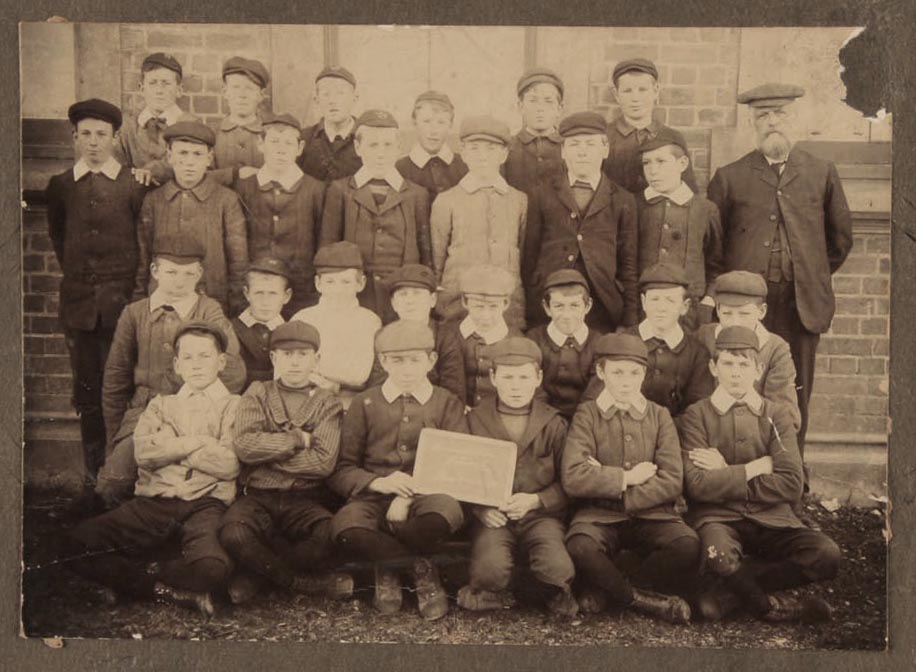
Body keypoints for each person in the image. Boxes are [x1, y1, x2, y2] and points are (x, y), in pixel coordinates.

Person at [707, 83, 853, 457]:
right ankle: (745, 473)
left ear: (796, 118)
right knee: (740, 384)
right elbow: (713, 249)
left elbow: (839, 243)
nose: (772, 123)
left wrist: (806, 275)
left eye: (780, 114)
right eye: (763, 117)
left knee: (795, 392)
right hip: (748, 310)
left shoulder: (821, 172)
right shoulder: (730, 177)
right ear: (753, 124)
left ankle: (790, 473)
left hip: (801, 305)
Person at [65, 322, 241, 617]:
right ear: (177, 365)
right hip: (154, 501)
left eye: (205, 356)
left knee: (213, 567)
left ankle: (132, 578)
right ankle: (165, 590)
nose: (196, 365)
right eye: (188, 358)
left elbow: (228, 463)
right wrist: (200, 443)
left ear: (221, 362)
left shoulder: (234, 405)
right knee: (75, 541)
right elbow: (145, 453)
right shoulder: (160, 405)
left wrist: (171, 446)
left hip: (205, 503)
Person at [679, 326, 840, 623]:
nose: (735, 373)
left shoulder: (775, 415)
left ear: (758, 369)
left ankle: (729, 591)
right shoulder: (696, 415)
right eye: (727, 363)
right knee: (718, 553)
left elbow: (792, 483)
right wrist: (752, 469)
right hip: (718, 517)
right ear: (714, 367)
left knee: (825, 554)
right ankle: (771, 608)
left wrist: (725, 474)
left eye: (744, 365)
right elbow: (698, 486)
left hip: (772, 517)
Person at [329, 321, 468, 620]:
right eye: (397, 360)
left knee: (441, 516)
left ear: (431, 361)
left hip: (429, 493)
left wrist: (407, 497)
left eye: (415, 360)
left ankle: (388, 563)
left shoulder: (447, 403)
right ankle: (414, 568)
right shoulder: (364, 403)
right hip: (373, 495)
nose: (407, 369)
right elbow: (343, 469)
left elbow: (456, 463)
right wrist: (379, 484)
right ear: (382, 361)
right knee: (348, 529)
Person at [96, 235, 246, 506]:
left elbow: (233, 370)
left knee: (195, 485)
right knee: (114, 484)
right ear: (155, 271)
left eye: (189, 274)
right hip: (144, 414)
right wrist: (114, 439)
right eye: (171, 272)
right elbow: (115, 379)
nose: (180, 281)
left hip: (198, 415)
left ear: (199, 273)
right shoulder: (134, 314)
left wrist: (191, 403)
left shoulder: (209, 310)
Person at [45, 98, 147, 494]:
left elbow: (140, 242)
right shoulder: (61, 186)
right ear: (74, 137)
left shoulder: (131, 185)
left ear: (115, 138)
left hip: (119, 306)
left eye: (101, 134)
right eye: (85, 134)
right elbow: (59, 238)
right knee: (86, 390)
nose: (93, 142)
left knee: (117, 387)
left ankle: (118, 475)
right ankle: (92, 477)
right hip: (79, 309)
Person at [562, 333, 699, 624]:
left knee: (686, 543)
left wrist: (609, 484)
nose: (626, 381)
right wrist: (628, 477)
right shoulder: (587, 414)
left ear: (645, 374)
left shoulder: (659, 416)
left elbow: (672, 478)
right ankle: (641, 600)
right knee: (580, 545)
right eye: (617, 372)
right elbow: (574, 476)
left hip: (653, 514)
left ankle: (610, 588)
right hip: (597, 515)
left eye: (635, 373)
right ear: (601, 372)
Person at [219, 320, 352, 604]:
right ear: (273, 358)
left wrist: (265, 458)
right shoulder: (258, 392)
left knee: (330, 533)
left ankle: (258, 575)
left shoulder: (328, 402)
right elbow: (244, 445)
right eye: (286, 354)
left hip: (304, 498)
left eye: (303, 354)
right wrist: (296, 440)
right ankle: (296, 582)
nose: (294, 362)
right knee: (234, 533)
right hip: (258, 496)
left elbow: (322, 463)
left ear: (316, 359)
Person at [458, 337, 579, 618]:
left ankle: (540, 590)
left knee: (559, 571)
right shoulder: (473, 420)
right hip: (494, 518)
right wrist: (480, 509)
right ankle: (497, 590)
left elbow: (569, 482)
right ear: (493, 377)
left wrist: (537, 500)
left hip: (540, 517)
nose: (515, 385)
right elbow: (460, 475)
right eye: (507, 376)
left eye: (524, 377)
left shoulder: (555, 423)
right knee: (490, 572)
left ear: (538, 378)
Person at [523, 111, 638, 333]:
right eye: (574, 145)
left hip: (602, 303)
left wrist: (629, 320)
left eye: (591, 144)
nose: (582, 152)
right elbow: (529, 256)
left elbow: (628, 264)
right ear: (563, 152)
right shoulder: (541, 194)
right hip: (550, 302)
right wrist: (532, 304)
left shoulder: (623, 199)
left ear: (605, 149)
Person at [319, 109, 431, 321]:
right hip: (354, 299)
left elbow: (425, 258)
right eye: (372, 145)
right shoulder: (340, 191)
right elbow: (328, 251)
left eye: (388, 145)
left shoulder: (417, 194)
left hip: (400, 301)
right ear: (358, 147)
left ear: (399, 148)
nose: (381, 153)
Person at [134, 121, 248, 316]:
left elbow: (238, 261)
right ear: (169, 156)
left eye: (197, 154)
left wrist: (236, 307)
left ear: (209, 158)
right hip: (163, 304)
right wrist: (140, 301)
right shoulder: (154, 200)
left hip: (210, 302)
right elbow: (144, 257)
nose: (189, 161)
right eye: (182, 153)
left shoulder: (226, 200)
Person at [430, 115, 527, 329]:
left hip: (506, 307)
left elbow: (524, 252)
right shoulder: (446, 201)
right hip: (458, 306)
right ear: (463, 152)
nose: (482, 156)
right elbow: (436, 260)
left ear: (503, 155)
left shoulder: (519, 200)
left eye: (491, 149)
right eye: (474, 148)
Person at [234, 112, 326, 316]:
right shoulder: (244, 188)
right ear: (260, 143)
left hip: (301, 293)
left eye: (288, 143)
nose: (281, 150)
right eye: (274, 141)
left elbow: (322, 241)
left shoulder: (316, 190)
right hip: (255, 294)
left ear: (300, 148)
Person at [636, 127, 722, 329]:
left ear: (682, 163)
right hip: (644, 311)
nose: (653, 170)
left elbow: (716, 264)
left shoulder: (705, 210)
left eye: (661, 161)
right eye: (646, 163)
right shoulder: (634, 206)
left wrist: (708, 301)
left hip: (690, 312)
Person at [696, 270, 801, 432]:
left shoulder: (776, 348)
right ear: (717, 310)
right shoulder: (703, 338)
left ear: (762, 311)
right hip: (707, 436)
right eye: (727, 313)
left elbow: (787, 419)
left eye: (744, 314)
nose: (735, 322)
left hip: (755, 438)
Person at [290, 242, 381, 408]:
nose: (337, 290)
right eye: (330, 282)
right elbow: (286, 370)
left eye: (346, 282)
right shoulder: (303, 318)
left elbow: (359, 374)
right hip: (303, 401)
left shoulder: (369, 320)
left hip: (349, 404)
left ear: (360, 283)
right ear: (318, 283)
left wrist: (316, 371)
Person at [620, 263, 714, 419]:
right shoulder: (623, 343)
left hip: (676, 436)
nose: (661, 308)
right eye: (655, 299)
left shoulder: (697, 354)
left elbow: (697, 411)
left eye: (670, 300)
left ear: (684, 306)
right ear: (643, 302)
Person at [602, 58, 698, 194]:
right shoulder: (604, 136)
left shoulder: (672, 137)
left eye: (643, 90)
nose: (635, 98)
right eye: (627, 91)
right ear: (616, 95)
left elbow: (688, 193)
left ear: (656, 91)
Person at [371, 264, 466, 401]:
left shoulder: (446, 337)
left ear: (432, 300)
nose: (410, 301)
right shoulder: (384, 335)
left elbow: (453, 390)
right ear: (393, 304)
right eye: (403, 294)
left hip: (434, 410)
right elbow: (377, 385)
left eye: (417, 293)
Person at [525, 269, 603, 419]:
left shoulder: (599, 343)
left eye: (574, 306)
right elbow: (532, 389)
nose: (567, 315)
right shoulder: (533, 340)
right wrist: (550, 423)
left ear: (587, 306)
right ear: (547, 308)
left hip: (586, 420)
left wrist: (580, 423)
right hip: (542, 419)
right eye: (559, 306)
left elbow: (594, 394)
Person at [441, 265, 522, 407]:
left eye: (493, 307)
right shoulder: (449, 334)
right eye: (478, 307)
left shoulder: (517, 340)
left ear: (506, 303)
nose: (486, 316)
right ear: (465, 302)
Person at [115, 52, 198, 186]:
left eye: (166, 83)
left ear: (179, 90)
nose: (159, 90)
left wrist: (154, 170)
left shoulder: (191, 125)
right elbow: (118, 165)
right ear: (142, 89)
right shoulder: (128, 126)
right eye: (152, 83)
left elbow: (189, 164)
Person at [395, 90, 468, 203]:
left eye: (441, 122)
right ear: (415, 123)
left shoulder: (465, 166)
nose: (434, 130)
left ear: (450, 125)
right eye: (426, 121)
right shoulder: (399, 169)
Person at [503, 67, 565, 198]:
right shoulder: (508, 148)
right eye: (533, 101)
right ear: (520, 106)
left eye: (548, 101)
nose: (540, 108)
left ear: (559, 109)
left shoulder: (569, 147)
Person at [231, 257, 292, 387]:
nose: (265, 302)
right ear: (247, 294)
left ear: (286, 296)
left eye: (273, 294)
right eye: (259, 293)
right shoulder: (231, 329)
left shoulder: (292, 331)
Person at [210, 57, 270, 184]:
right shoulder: (212, 133)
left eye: (250, 88)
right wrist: (233, 174)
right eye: (236, 87)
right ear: (225, 92)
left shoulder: (271, 133)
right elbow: (201, 177)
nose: (242, 95)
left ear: (261, 95)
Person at [297, 66, 362, 182]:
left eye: (340, 93)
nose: (333, 101)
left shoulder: (367, 138)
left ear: (355, 98)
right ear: (316, 100)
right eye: (326, 94)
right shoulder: (303, 139)